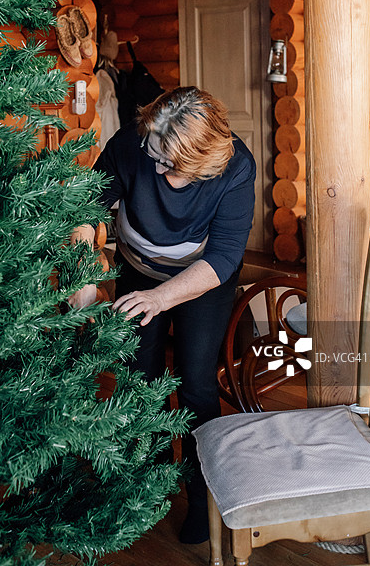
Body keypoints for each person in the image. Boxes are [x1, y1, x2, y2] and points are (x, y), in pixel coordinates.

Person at [70, 86, 256, 544]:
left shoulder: (235, 167)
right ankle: (148, 487)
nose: (157, 167)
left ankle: (201, 495)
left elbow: (226, 255)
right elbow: (83, 209)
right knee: (141, 378)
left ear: (201, 165)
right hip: (138, 269)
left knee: (194, 383)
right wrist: (82, 278)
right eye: (155, 154)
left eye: (170, 164)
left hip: (202, 277)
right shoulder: (132, 144)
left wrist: (162, 298)